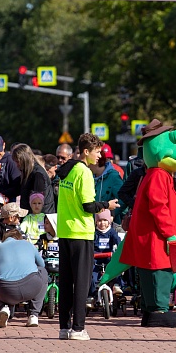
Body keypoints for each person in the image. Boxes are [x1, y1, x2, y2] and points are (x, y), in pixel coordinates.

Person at [56, 133, 119, 341]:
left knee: (66, 282)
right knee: (81, 283)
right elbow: (88, 206)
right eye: (97, 151)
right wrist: (107, 205)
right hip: (81, 232)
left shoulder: (67, 169)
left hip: (65, 231)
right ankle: (78, 328)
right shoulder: (84, 172)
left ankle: (64, 327)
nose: (99, 155)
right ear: (86, 151)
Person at [0, 229, 48, 328]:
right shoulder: (28, 244)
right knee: (43, 272)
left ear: (4, 239)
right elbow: (42, 264)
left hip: (6, 290)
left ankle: (4, 308)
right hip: (31, 285)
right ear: (19, 238)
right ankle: (33, 315)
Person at [93, 209, 122, 296]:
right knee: (92, 274)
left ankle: (117, 285)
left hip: (109, 257)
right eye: (99, 221)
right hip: (96, 257)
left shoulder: (112, 232)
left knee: (116, 268)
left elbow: (117, 240)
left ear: (109, 221)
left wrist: (119, 249)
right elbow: (90, 244)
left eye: (105, 220)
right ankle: (92, 292)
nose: (102, 223)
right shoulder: (94, 233)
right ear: (96, 222)